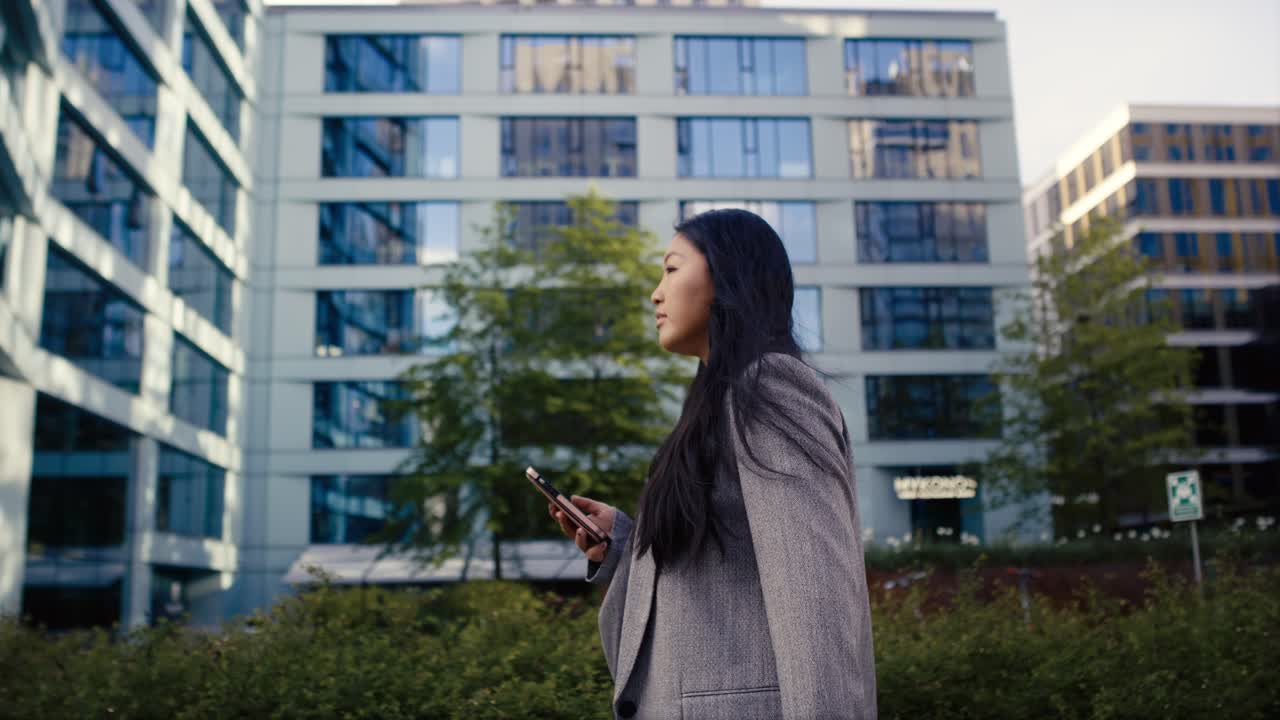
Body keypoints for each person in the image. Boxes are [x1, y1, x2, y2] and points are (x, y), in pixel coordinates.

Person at [548, 209, 877, 719]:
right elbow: (720, 576)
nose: (656, 293)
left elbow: (815, 605)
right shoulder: (714, 402)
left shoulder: (771, 388)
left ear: (726, 276)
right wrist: (622, 542)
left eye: (672, 269)